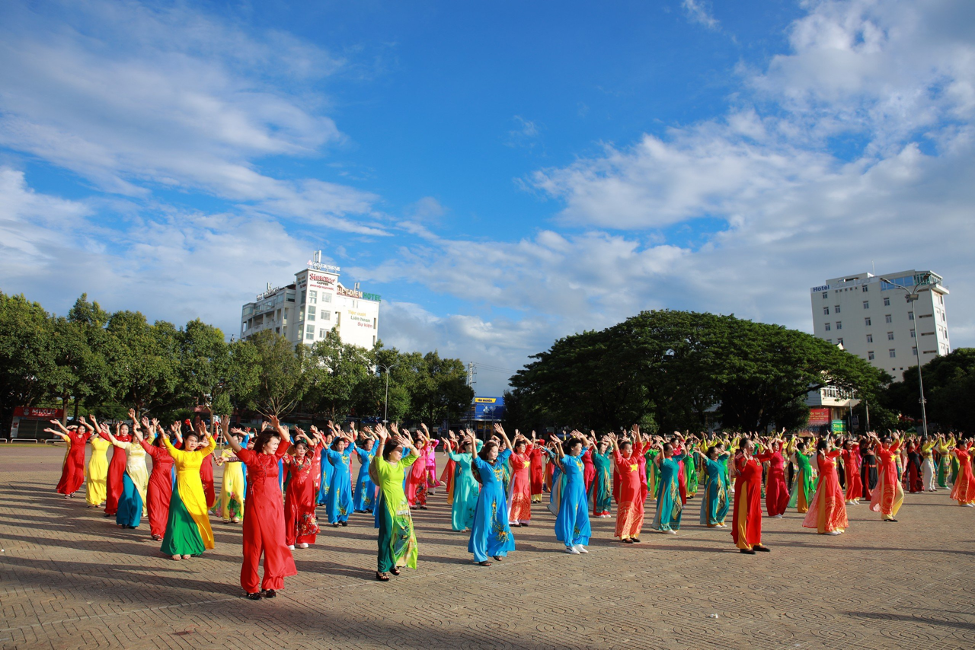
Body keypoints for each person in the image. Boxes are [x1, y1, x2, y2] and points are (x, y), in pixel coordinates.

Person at [223, 416, 297, 599]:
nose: (276, 446)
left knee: (274, 545)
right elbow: (237, 448)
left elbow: (287, 440)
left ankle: (270, 583)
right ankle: (251, 586)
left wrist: (278, 426)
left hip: (275, 508)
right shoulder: (252, 457)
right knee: (253, 547)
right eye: (273, 443)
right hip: (256, 508)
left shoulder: (275, 458)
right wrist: (225, 432)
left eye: (276, 443)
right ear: (264, 444)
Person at [369, 423, 420, 581]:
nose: (400, 453)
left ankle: (394, 562)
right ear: (390, 452)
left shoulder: (401, 464)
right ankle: (381, 568)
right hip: (387, 503)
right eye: (398, 451)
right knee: (386, 535)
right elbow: (378, 456)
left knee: (403, 533)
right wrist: (383, 439)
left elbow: (415, 455)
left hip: (401, 504)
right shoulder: (382, 465)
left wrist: (409, 445)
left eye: (401, 450)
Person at [160, 421, 217, 560]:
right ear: (184, 440)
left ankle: (189, 547)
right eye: (190, 440)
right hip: (180, 490)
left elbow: (212, 446)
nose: (193, 443)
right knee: (177, 518)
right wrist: (162, 433)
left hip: (196, 491)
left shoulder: (199, 454)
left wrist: (206, 433)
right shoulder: (178, 454)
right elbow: (167, 444)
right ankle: (176, 548)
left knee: (193, 519)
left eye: (195, 441)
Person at [468, 425, 516, 565]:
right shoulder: (482, 465)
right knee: (484, 525)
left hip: (500, 497)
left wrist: (504, 434)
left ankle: (497, 550)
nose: (495, 454)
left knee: (501, 522)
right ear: (487, 452)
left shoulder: (500, 461)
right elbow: (474, 457)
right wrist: (472, 441)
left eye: (496, 452)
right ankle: (481, 556)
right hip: (487, 497)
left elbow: (509, 450)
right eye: (493, 451)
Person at [105, 410, 150, 530]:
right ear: (133, 436)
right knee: (127, 495)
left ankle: (134, 522)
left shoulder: (145, 445)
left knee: (138, 498)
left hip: (141, 475)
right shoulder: (128, 445)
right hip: (128, 474)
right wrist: (108, 431)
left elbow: (151, 436)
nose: (137, 438)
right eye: (135, 436)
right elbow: (114, 441)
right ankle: (124, 519)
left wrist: (149, 426)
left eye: (139, 436)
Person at [549, 431, 592, 554]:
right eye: (578, 448)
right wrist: (558, 444)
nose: (580, 450)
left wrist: (582, 436)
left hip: (581, 491)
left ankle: (578, 541)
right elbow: (562, 456)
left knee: (583, 515)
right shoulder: (567, 459)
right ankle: (569, 544)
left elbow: (587, 445)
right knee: (570, 515)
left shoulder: (578, 458)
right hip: (571, 490)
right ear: (572, 448)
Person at [282, 428, 322, 550]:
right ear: (294, 450)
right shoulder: (291, 459)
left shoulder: (309, 457)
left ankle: (302, 539)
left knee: (306, 513)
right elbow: (282, 451)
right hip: (294, 488)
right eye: (298, 448)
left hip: (307, 489)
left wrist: (305, 435)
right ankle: (290, 540)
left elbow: (312, 445)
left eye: (302, 449)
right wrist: (286, 437)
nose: (301, 451)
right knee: (291, 513)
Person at [802, 438, 848, 535]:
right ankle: (827, 527)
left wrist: (833, 446)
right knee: (830, 504)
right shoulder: (820, 457)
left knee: (840, 502)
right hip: (827, 482)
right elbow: (822, 462)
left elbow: (840, 451)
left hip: (835, 482)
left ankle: (835, 524)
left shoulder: (830, 455)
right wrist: (822, 456)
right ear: (823, 449)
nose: (830, 448)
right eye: (829, 447)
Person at [139, 419, 175, 541]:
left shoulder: (174, 452)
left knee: (166, 506)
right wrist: (147, 428)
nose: (164, 441)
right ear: (158, 441)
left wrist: (175, 431)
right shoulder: (155, 450)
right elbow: (143, 443)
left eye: (167, 439)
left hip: (167, 482)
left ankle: (164, 530)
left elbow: (182, 442)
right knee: (154, 505)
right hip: (155, 480)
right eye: (162, 439)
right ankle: (156, 531)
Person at [731, 438, 769, 554]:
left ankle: (755, 541)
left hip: (756, 491)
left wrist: (767, 447)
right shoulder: (740, 458)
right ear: (743, 448)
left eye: (753, 445)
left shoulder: (756, 458)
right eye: (749, 445)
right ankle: (744, 543)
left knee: (757, 515)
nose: (752, 447)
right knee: (745, 515)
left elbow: (769, 456)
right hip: (746, 489)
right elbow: (739, 470)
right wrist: (744, 462)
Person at [610, 432, 645, 544]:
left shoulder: (634, 459)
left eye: (630, 449)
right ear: (622, 451)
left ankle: (633, 533)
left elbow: (639, 447)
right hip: (627, 489)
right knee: (627, 511)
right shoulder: (621, 462)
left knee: (639, 511)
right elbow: (616, 454)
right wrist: (615, 442)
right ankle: (625, 535)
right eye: (627, 449)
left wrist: (638, 433)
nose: (630, 451)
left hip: (637, 490)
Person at [46, 419, 91, 499]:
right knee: (70, 475)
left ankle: (73, 489)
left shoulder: (85, 436)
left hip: (80, 460)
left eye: (83, 429)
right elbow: (63, 431)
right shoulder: (73, 435)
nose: (82, 430)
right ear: (77, 429)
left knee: (80, 476)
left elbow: (92, 429)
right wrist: (58, 424)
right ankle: (67, 492)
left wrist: (85, 423)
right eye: (80, 428)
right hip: (71, 458)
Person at [446, 431, 479, 532]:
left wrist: (473, 438)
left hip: (474, 480)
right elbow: (452, 457)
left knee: (473, 502)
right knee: (462, 501)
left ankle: (470, 523)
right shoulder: (462, 456)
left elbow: (481, 443)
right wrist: (448, 445)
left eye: (471, 446)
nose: (471, 448)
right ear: (465, 448)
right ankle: (460, 525)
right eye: (468, 446)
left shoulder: (476, 454)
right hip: (464, 479)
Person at [325, 424, 356, 526]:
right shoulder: (334, 454)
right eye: (340, 444)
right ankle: (334, 519)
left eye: (343, 444)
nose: (342, 446)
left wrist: (345, 436)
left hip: (346, 480)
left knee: (346, 498)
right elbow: (327, 449)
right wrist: (321, 438)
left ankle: (344, 518)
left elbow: (352, 443)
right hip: (337, 479)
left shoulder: (347, 452)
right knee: (336, 498)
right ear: (337, 445)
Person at [869, 433, 904, 522]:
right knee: (889, 494)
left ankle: (889, 512)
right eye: (887, 442)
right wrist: (876, 438)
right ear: (883, 443)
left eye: (890, 442)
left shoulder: (891, 450)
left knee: (900, 494)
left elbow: (896, 444)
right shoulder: (882, 451)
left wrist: (897, 438)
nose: (889, 444)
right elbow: (879, 445)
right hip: (887, 474)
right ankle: (887, 515)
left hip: (894, 475)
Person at [651, 438, 684, 534]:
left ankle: (672, 524)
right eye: (670, 449)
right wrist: (661, 449)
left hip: (675, 486)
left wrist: (683, 448)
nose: (672, 450)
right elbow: (660, 459)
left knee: (677, 505)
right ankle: (665, 526)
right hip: (667, 485)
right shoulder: (663, 461)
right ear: (665, 451)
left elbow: (683, 455)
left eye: (672, 448)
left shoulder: (674, 459)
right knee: (667, 505)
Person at [694, 444, 730, 528]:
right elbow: (704, 457)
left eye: (718, 450)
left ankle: (720, 519)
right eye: (716, 451)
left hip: (722, 484)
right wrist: (700, 453)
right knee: (713, 503)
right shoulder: (709, 461)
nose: (717, 452)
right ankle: (712, 521)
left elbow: (728, 454)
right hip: (714, 484)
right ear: (711, 453)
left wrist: (723, 451)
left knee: (726, 503)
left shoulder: (720, 460)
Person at [216, 429, 248, 523]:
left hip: (238, 475)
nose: (233, 442)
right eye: (232, 440)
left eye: (235, 441)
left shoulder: (241, 450)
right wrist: (219, 461)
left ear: (239, 441)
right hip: (228, 475)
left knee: (238, 495)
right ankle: (226, 515)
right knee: (227, 494)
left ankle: (236, 515)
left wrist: (227, 458)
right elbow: (220, 463)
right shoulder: (225, 450)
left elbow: (241, 459)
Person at [103, 421, 132, 517]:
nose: (124, 431)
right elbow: (102, 434)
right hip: (115, 465)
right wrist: (95, 422)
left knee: (123, 487)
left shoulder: (130, 439)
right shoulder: (115, 438)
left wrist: (134, 418)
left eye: (126, 429)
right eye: (122, 429)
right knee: (112, 486)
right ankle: (110, 509)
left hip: (126, 465)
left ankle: (121, 508)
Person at [755, 438, 789, 518]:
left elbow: (781, 442)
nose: (777, 447)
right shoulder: (771, 452)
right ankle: (773, 512)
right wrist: (770, 443)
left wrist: (775, 439)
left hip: (780, 475)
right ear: (772, 447)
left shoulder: (779, 452)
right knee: (775, 493)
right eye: (775, 446)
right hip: (774, 474)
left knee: (785, 493)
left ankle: (779, 510)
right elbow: (768, 449)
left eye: (777, 446)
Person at [508, 432, 534, 527]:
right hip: (517, 479)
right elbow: (510, 448)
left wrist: (525, 437)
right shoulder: (514, 456)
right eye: (521, 447)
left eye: (524, 447)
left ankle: (523, 518)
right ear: (517, 448)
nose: (523, 448)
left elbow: (531, 445)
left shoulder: (526, 455)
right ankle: (513, 519)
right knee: (517, 499)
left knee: (525, 499)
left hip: (525, 481)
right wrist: (515, 438)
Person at [84, 417, 111, 508]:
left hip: (103, 462)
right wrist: (99, 432)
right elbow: (91, 439)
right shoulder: (94, 440)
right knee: (92, 480)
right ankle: (91, 500)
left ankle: (98, 500)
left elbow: (116, 438)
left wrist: (106, 431)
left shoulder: (107, 441)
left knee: (101, 480)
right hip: (94, 461)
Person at [352, 430, 380, 513]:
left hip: (372, 473)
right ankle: (361, 507)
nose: (371, 445)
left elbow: (377, 439)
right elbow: (355, 446)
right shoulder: (363, 452)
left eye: (372, 444)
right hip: (364, 472)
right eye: (369, 444)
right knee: (363, 489)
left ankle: (370, 506)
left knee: (371, 489)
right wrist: (352, 438)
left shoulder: (374, 450)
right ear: (365, 445)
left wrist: (371, 432)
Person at [590, 435, 614, 518]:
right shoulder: (596, 456)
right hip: (600, 476)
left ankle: (606, 510)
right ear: (599, 448)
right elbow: (595, 449)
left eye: (605, 447)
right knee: (600, 492)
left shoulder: (606, 455)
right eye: (603, 447)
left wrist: (609, 439)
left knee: (608, 492)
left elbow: (611, 446)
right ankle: (598, 512)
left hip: (607, 477)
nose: (605, 448)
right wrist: (593, 442)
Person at [949, 439, 975, 507]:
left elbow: (969, 445)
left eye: (966, 444)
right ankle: (963, 502)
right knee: (965, 485)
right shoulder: (959, 452)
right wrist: (953, 447)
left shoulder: (966, 450)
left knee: (973, 484)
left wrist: (971, 441)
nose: (966, 446)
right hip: (964, 470)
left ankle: (970, 500)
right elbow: (955, 449)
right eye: (964, 445)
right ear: (960, 445)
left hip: (969, 471)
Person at [841, 440, 863, 505]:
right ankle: (848, 499)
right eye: (849, 444)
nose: (851, 445)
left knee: (858, 483)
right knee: (851, 484)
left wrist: (852, 442)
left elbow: (857, 444)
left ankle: (854, 497)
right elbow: (838, 449)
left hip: (855, 468)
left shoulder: (853, 450)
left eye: (851, 444)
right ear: (845, 445)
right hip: (848, 468)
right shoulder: (844, 451)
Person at [528, 433, 544, 503]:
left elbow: (543, 441)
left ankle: (539, 497)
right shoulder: (530, 450)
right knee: (533, 482)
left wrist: (536, 439)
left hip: (539, 468)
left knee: (539, 482)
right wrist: (532, 440)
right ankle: (533, 498)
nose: (536, 444)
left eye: (537, 443)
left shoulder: (540, 449)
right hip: (533, 467)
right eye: (535, 443)